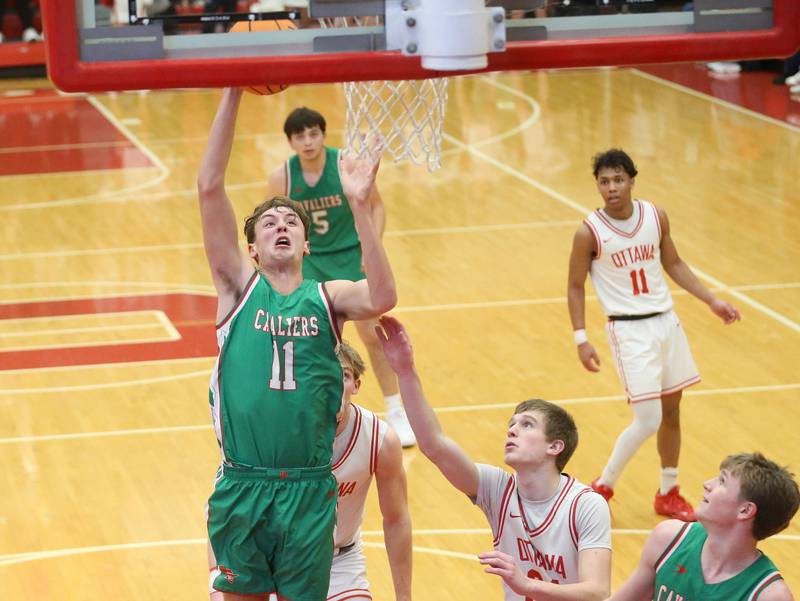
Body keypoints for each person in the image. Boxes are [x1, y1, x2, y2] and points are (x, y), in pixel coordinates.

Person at [199, 87, 396, 601]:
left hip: (310, 487)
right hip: (244, 481)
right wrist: (232, 90)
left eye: (291, 222)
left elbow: (383, 295)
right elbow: (208, 186)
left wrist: (359, 205)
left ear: (307, 244)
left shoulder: (328, 297)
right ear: (252, 247)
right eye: (269, 223)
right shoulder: (238, 289)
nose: (281, 225)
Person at [376, 315, 612, 601]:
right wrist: (405, 371)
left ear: (555, 447)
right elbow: (434, 445)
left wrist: (526, 585)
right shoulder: (498, 489)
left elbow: (597, 592)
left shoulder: (586, 505)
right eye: (511, 424)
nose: (512, 429)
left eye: (526, 425)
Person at [567, 149, 741, 521]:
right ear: (597, 185)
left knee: (672, 411)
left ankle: (668, 491)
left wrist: (711, 300)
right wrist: (580, 338)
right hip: (628, 330)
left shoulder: (654, 216)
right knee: (647, 419)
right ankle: (604, 486)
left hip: (666, 322)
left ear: (632, 180)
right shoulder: (589, 232)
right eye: (604, 181)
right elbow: (575, 286)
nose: (611, 187)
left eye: (617, 179)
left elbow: (673, 262)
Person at [207, 341, 413, 601]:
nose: (334, 382)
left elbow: (397, 520)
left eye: (345, 375)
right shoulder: (270, 435)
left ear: (357, 385)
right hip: (266, 558)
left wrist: (404, 598)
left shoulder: (378, 439)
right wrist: (217, 569)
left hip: (339, 561)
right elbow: (226, 504)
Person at [267, 106, 417, 448]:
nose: (308, 141)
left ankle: (395, 410)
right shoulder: (282, 178)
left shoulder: (343, 165)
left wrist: (371, 245)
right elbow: (273, 224)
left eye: (313, 133)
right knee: (308, 337)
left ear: (323, 134)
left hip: (350, 257)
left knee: (371, 331)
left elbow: (376, 205)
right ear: (290, 142)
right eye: (300, 136)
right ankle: (309, 409)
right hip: (311, 262)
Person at [608, 452, 799, 601]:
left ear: (745, 510)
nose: (707, 484)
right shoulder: (669, 538)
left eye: (722, 481)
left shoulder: (769, 595)